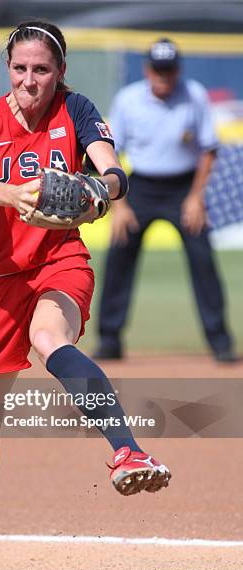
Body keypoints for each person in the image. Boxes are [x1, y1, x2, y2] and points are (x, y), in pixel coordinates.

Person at [0, 21, 171, 570]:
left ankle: (128, 453)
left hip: (55, 260)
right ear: (8, 70)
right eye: (20, 69)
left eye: (42, 69)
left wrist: (100, 188)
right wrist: (11, 193)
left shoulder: (77, 109)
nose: (30, 80)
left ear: (59, 71)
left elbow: (112, 169)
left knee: (51, 341)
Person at [93, 38, 236, 363]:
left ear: (178, 70)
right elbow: (111, 154)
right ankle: (110, 339)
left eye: (169, 70)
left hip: (184, 188)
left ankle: (221, 342)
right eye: (158, 70)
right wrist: (121, 205)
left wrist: (196, 197)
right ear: (147, 70)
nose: (163, 77)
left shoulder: (193, 94)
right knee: (119, 256)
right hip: (139, 187)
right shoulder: (128, 100)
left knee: (203, 261)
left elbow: (209, 149)